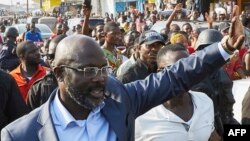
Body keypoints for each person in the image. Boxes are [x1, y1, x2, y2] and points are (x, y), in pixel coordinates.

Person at [0, 6, 245, 141]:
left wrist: (223, 48)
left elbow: (175, 77)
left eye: (103, 69)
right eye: (89, 70)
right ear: (60, 73)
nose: (100, 77)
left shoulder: (119, 99)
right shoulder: (21, 135)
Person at [135, 44, 220, 141]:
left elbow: (210, 135)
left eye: (189, 66)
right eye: (176, 69)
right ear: (160, 72)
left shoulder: (204, 101)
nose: (184, 73)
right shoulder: (141, 115)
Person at [27, 35, 66, 110]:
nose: (53, 61)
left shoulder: (87, 84)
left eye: (58, 55)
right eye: (50, 56)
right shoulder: (38, 88)